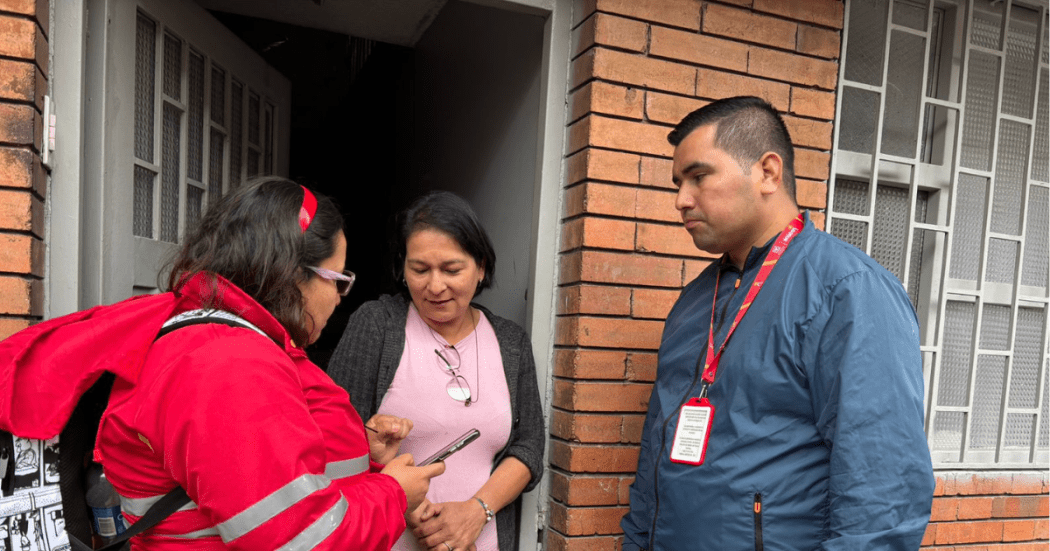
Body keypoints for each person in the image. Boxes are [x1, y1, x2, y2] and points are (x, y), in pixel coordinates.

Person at [0, 176, 445, 550]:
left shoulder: (231, 339)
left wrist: (360, 456)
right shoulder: (230, 364)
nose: (338, 298)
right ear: (292, 272)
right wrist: (392, 495)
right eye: (339, 279)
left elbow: (257, 469)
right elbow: (299, 539)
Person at [620, 97, 934, 550]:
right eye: (678, 182)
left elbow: (882, 486)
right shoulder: (693, 303)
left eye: (699, 177)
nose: (680, 200)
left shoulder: (847, 290)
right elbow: (656, 450)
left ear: (767, 172)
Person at [327, 191, 545, 551]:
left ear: (481, 267)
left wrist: (475, 513)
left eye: (451, 269)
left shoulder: (510, 342)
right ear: (402, 268)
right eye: (420, 269)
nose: (435, 286)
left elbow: (529, 445)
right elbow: (333, 438)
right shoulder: (377, 325)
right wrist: (420, 516)